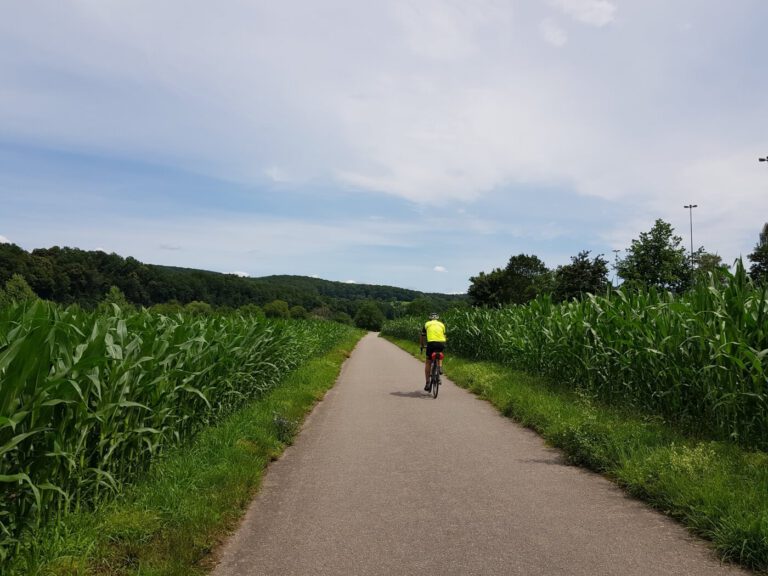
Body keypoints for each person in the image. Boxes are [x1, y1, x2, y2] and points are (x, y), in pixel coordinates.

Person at [419, 312, 446, 392]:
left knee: (428, 362)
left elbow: (422, 336)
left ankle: (427, 382)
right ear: (437, 318)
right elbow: (444, 335)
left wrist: (422, 345)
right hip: (441, 343)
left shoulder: (427, 324)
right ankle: (440, 367)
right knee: (440, 354)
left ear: (430, 318)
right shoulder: (442, 324)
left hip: (431, 343)